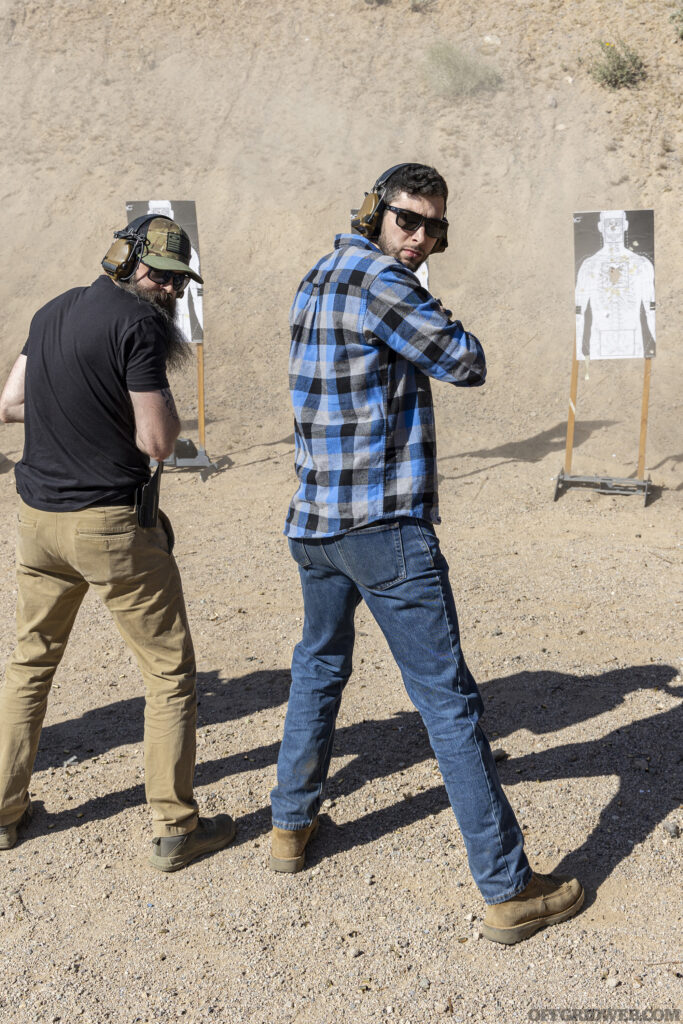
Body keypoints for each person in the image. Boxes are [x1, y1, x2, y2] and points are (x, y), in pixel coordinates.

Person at [270, 163, 584, 944]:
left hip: (315, 523)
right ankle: (508, 888)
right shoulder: (384, 282)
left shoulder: (320, 272)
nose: (420, 239)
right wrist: (422, 291)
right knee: (447, 705)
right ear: (375, 212)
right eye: (409, 221)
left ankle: (289, 827)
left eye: (434, 228)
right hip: (381, 525)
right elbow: (465, 360)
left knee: (317, 669)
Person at [0, 214, 235, 872]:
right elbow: (157, 442)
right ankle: (174, 826)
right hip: (108, 525)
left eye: (174, 280)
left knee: (29, 668)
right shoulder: (136, 327)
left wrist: (79, 404)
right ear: (124, 260)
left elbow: (10, 402)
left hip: (38, 520)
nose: (166, 289)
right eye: (160, 275)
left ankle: (4, 813)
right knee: (167, 673)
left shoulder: (52, 311)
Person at [575, 209, 656, 360]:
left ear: (625, 225)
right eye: (608, 223)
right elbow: (578, 312)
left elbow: (651, 310)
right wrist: (578, 350)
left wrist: (661, 345)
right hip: (599, 345)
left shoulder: (641, 265)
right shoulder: (589, 266)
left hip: (633, 345)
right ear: (600, 227)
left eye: (617, 223)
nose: (613, 227)